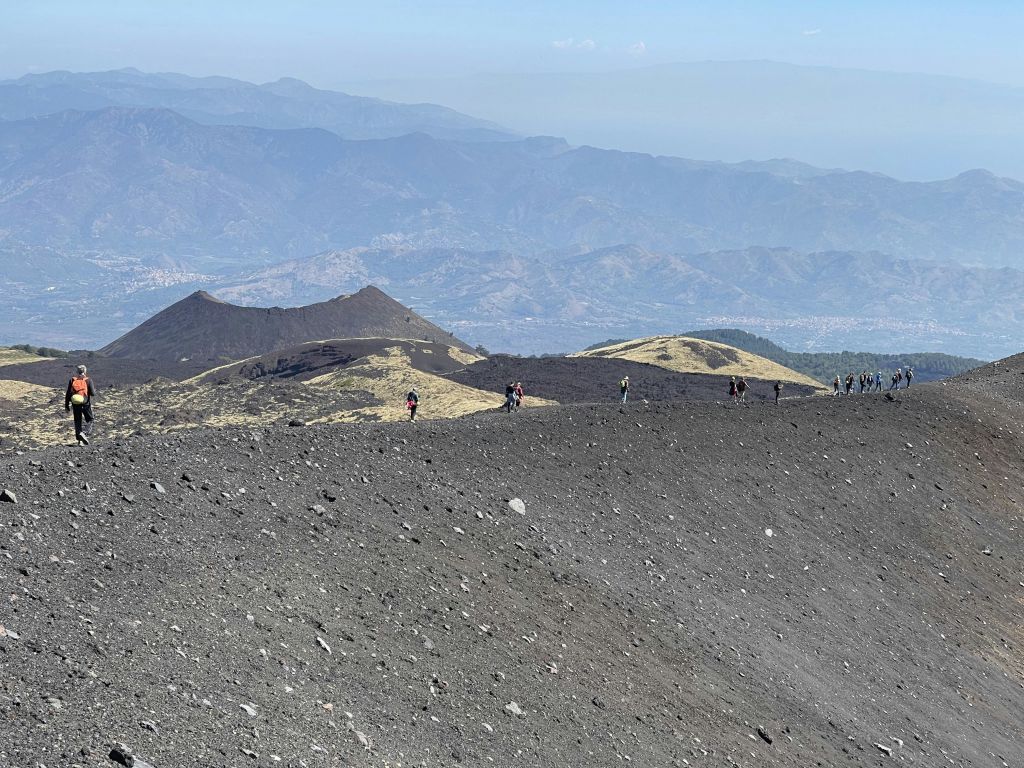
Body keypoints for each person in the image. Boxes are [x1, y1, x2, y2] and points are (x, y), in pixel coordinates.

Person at [64, 364, 96, 444]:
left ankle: (80, 441)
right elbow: (92, 393)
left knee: (77, 421)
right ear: (85, 371)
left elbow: (68, 393)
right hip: (85, 403)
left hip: (75, 403)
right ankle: (84, 433)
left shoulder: (72, 380)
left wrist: (67, 406)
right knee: (90, 419)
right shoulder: (88, 380)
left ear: (77, 372)